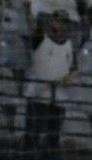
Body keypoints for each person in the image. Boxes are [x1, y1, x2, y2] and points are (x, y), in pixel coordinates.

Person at [21, 10, 75, 151]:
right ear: (51, 22)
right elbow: (33, 27)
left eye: (64, 23)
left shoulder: (69, 45)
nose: (61, 25)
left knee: (52, 140)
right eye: (58, 21)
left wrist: (69, 79)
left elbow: (74, 69)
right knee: (31, 137)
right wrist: (27, 11)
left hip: (58, 99)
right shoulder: (41, 39)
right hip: (38, 97)